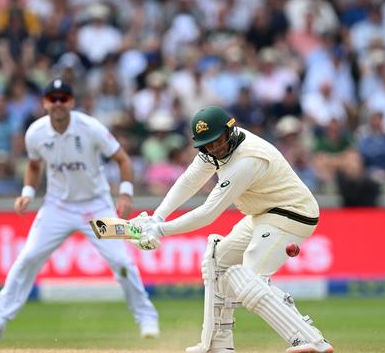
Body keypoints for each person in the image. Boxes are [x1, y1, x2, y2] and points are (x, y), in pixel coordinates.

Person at [128, 106, 334, 352]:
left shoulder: (247, 160)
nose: (214, 148)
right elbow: (189, 180)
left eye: (217, 141)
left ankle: (311, 341)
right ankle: (218, 345)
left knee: (249, 279)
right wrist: (157, 217)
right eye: (207, 144)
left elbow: (208, 213)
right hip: (262, 212)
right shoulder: (211, 150)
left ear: (230, 131)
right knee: (218, 260)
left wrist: (160, 230)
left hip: (292, 213)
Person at [0, 79, 159, 341]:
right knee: (27, 259)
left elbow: (123, 159)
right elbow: (34, 165)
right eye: (53, 99)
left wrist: (126, 194)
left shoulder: (90, 128)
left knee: (121, 262)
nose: (58, 104)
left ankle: (147, 317)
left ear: (71, 102)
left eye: (63, 99)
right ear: (45, 103)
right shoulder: (35, 133)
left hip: (96, 206)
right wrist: (27, 193)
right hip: (57, 206)